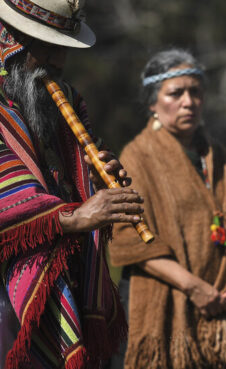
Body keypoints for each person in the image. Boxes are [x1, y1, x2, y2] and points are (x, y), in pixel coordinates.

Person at [0, 0, 145, 368]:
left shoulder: (65, 101)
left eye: (63, 48)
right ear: (11, 40)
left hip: (65, 278)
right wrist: (72, 218)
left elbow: (65, 182)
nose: (60, 62)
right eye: (47, 47)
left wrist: (94, 182)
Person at [109, 49, 226, 369]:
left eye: (195, 92)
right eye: (175, 93)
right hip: (168, 307)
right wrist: (193, 287)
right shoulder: (138, 157)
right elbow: (131, 239)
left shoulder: (220, 157)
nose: (188, 102)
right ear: (152, 103)